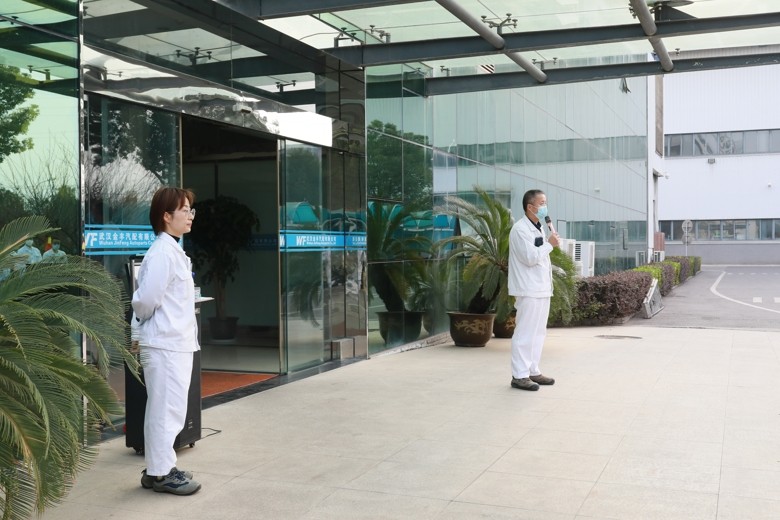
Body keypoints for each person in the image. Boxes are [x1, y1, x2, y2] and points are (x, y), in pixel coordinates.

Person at [131, 187, 201, 495]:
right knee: (165, 410)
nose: (190, 215)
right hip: (165, 345)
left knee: (166, 408)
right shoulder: (162, 253)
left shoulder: (173, 251)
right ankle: (161, 474)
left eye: (190, 210)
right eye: (184, 210)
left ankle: (158, 468)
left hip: (173, 343)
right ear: (166, 216)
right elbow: (146, 300)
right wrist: (142, 326)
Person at [507, 189, 560, 391]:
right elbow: (530, 258)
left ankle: (532, 370)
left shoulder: (538, 228)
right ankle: (519, 375)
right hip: (528, 289)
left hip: (541, 289)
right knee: (525, 332)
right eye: (542, 203)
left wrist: (548, 243)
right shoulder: (520, 230)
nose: (545, 207)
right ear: (530, 207)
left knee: (538, 333)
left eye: (546, 202)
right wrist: (549, 245)